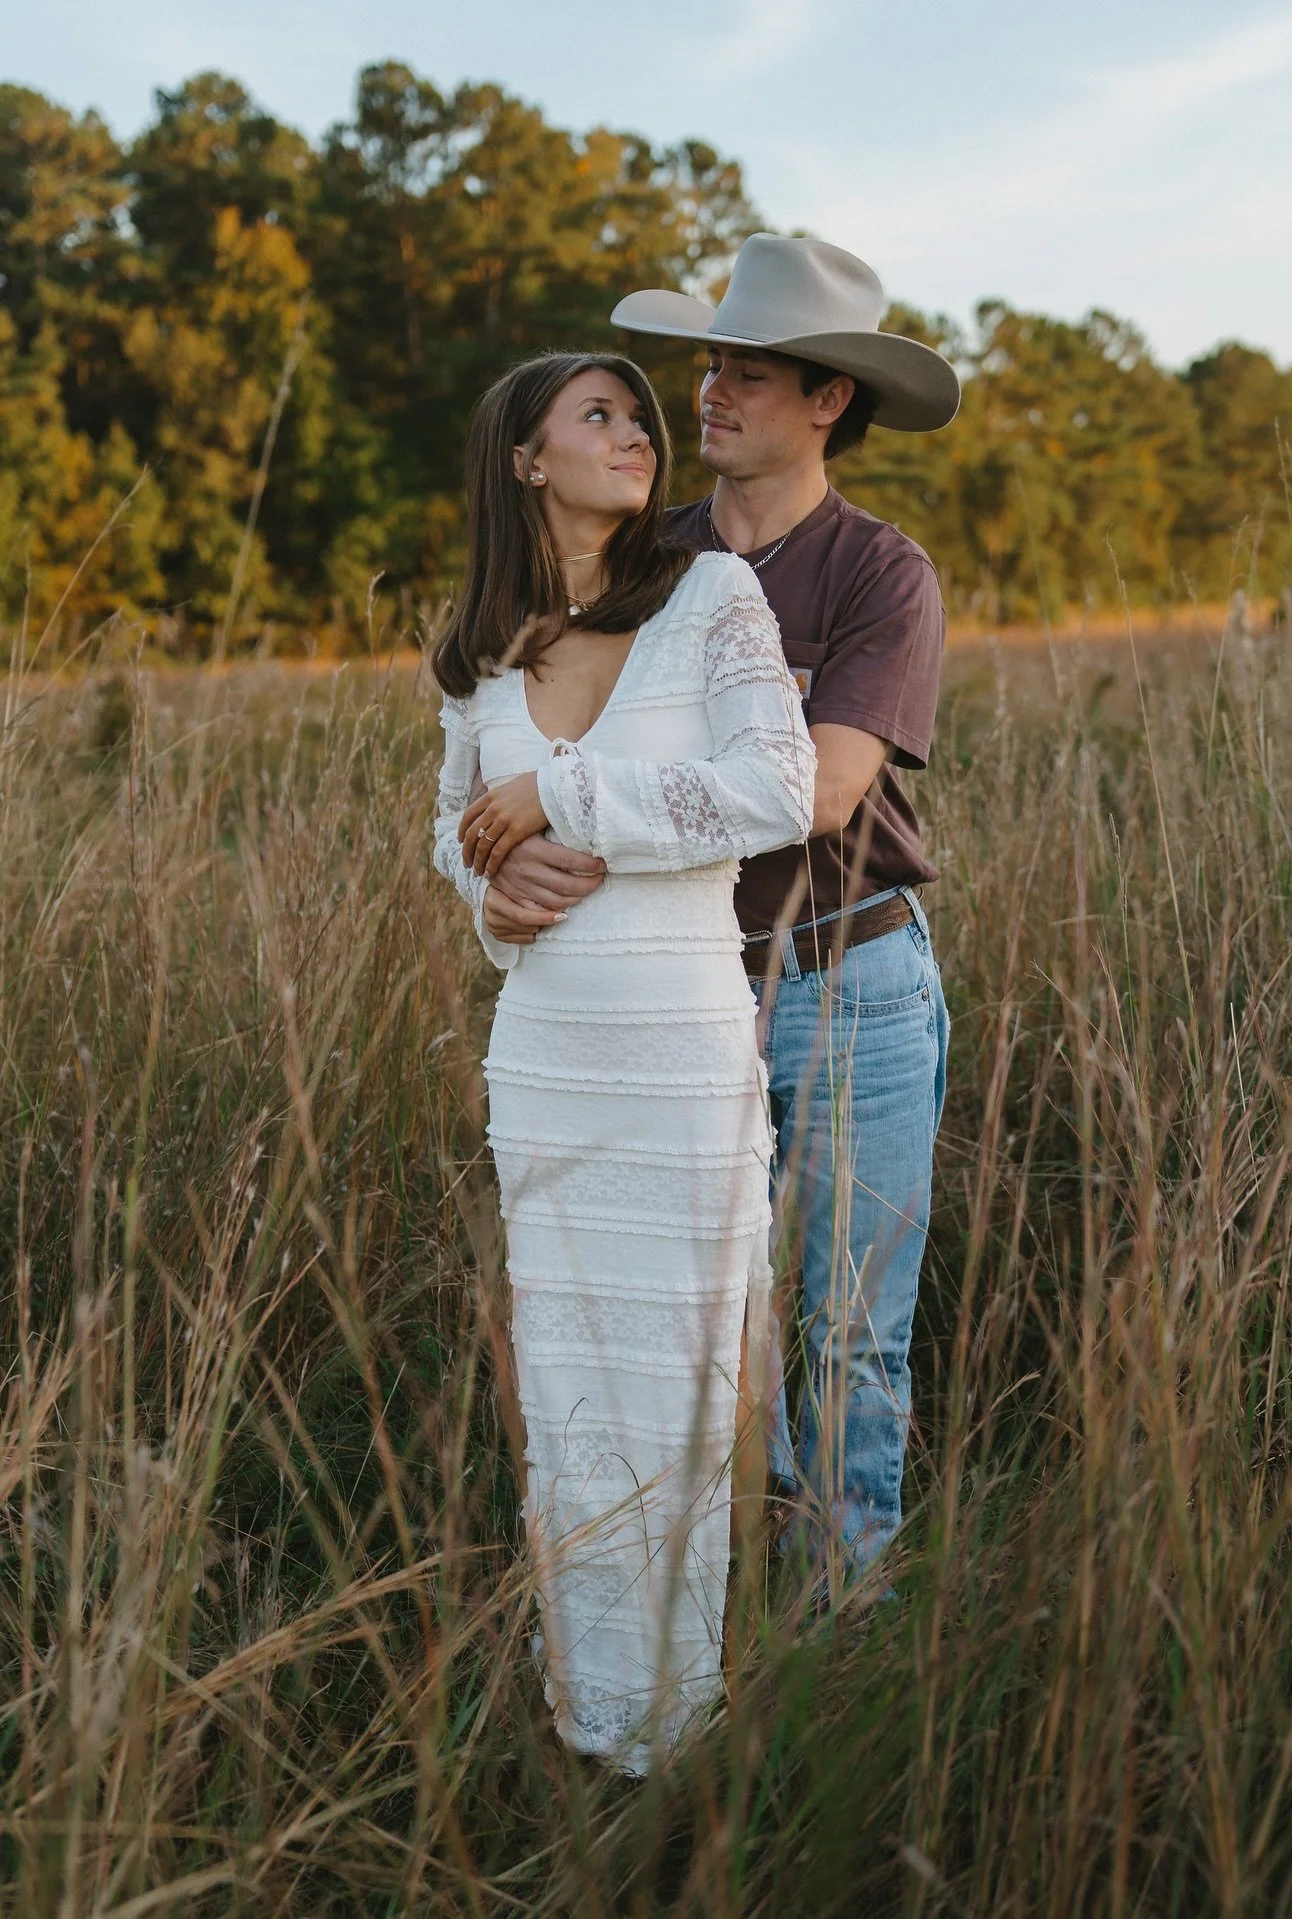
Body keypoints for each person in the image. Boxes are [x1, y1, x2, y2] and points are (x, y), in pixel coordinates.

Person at [465, 236, 959, 1596]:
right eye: (709, 364)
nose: (709, 392)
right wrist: (500, 865)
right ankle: (738, 1594)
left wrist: (573, 794)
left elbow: (820, 791)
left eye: (751, 372)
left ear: (829, 401)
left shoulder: (879, 571)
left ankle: (841, 1610)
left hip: (848, 980)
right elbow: (515, 744)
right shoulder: (647, 560)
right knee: (717, 1318)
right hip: (672, 990)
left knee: (849, 1324)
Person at [432, 350, 814, 1772]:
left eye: (641, 414)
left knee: (689, 1380)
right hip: (549, 1062)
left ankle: (682, 1728)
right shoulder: (480, 645)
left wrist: (567, 791)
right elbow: (452, 830)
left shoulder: (712, 598)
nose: (638, 431)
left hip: (680, 1056)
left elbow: (777, 789)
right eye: (598, 414)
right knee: (572, 1389)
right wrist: (489, 894)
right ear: (527, 458)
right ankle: (590, 1716)